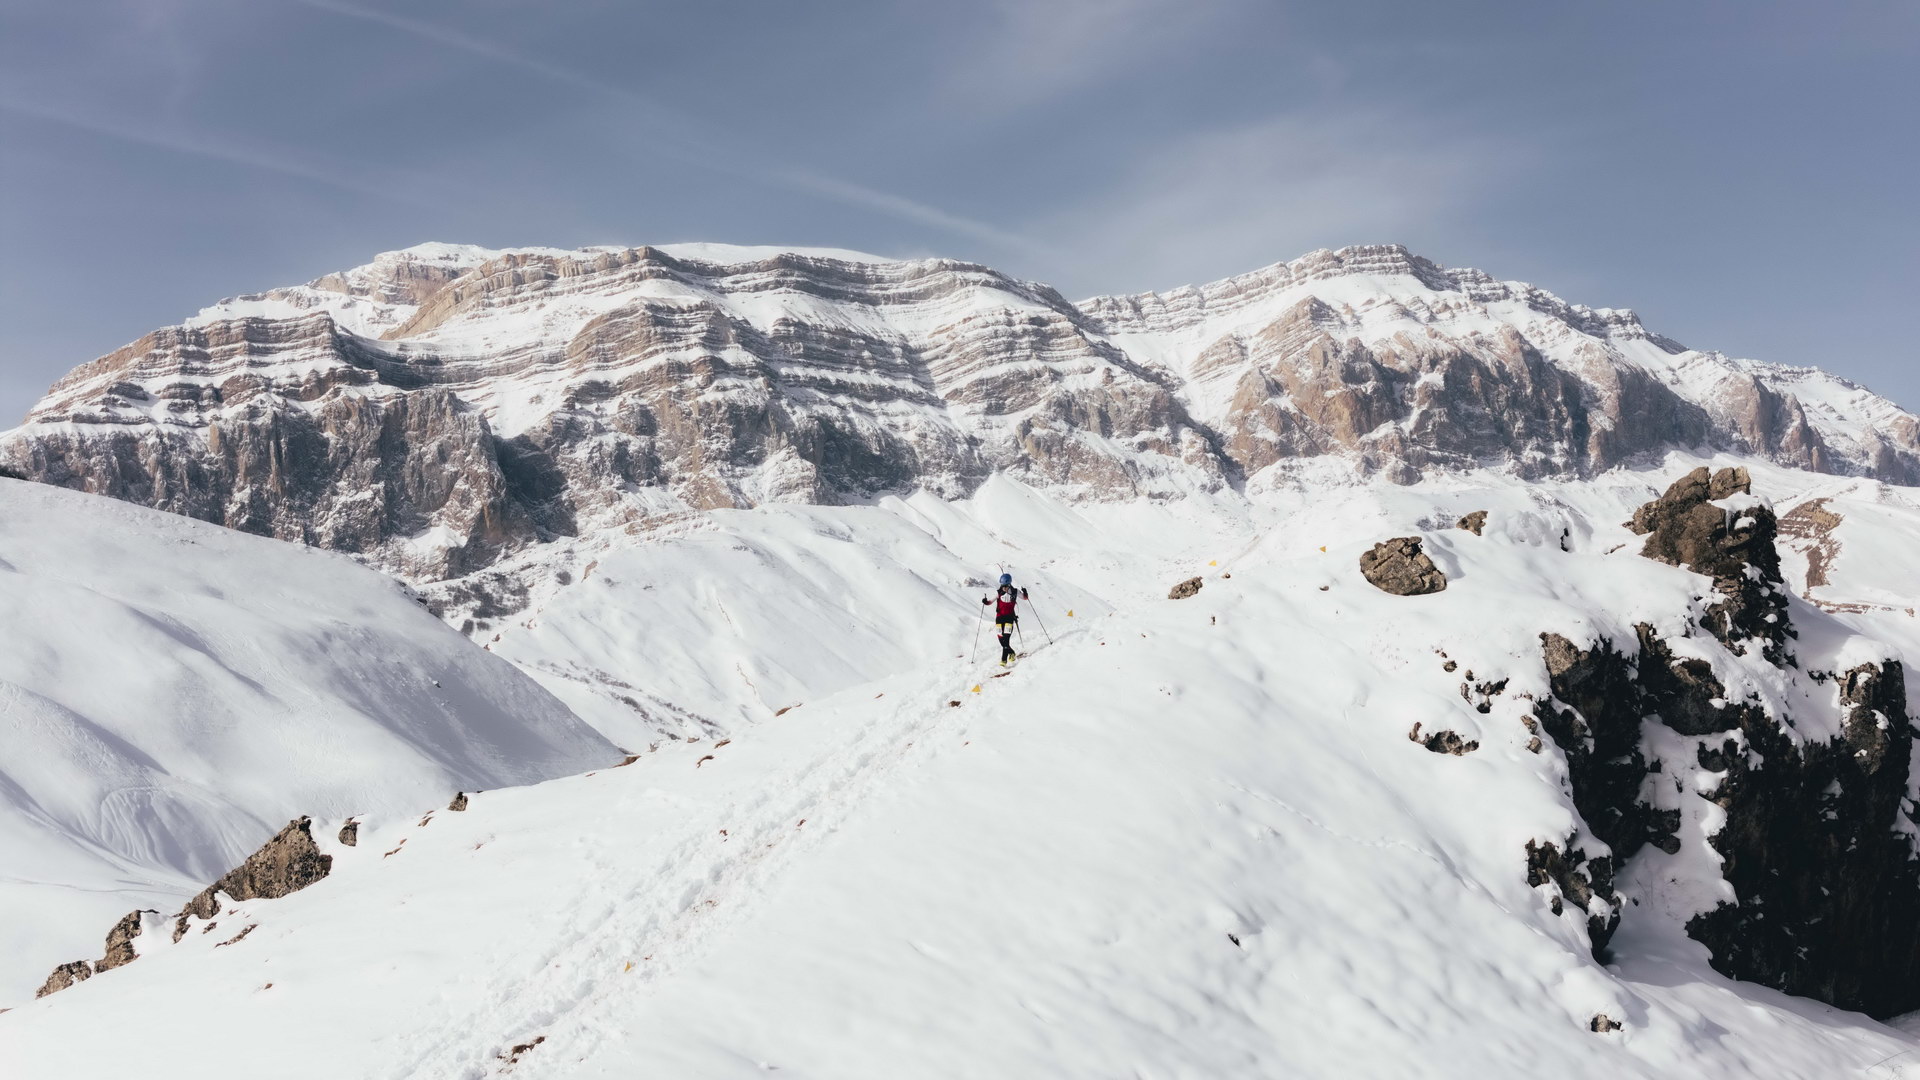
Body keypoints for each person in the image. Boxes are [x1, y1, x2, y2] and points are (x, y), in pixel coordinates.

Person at [982, 573, 1029, 666]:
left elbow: (1025, 598)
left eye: (1005, 586)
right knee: (1001, 640)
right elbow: (989, 602)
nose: (1003, 587)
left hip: (1009, 618)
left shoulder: (1015, 591)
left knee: (1006, 639)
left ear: (1009, 584)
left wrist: (1025, 592)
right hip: (999, 618)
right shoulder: (998, 592)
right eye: (1002, 585)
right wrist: (985, 601)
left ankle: (1004, 660)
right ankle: (1011, 653)